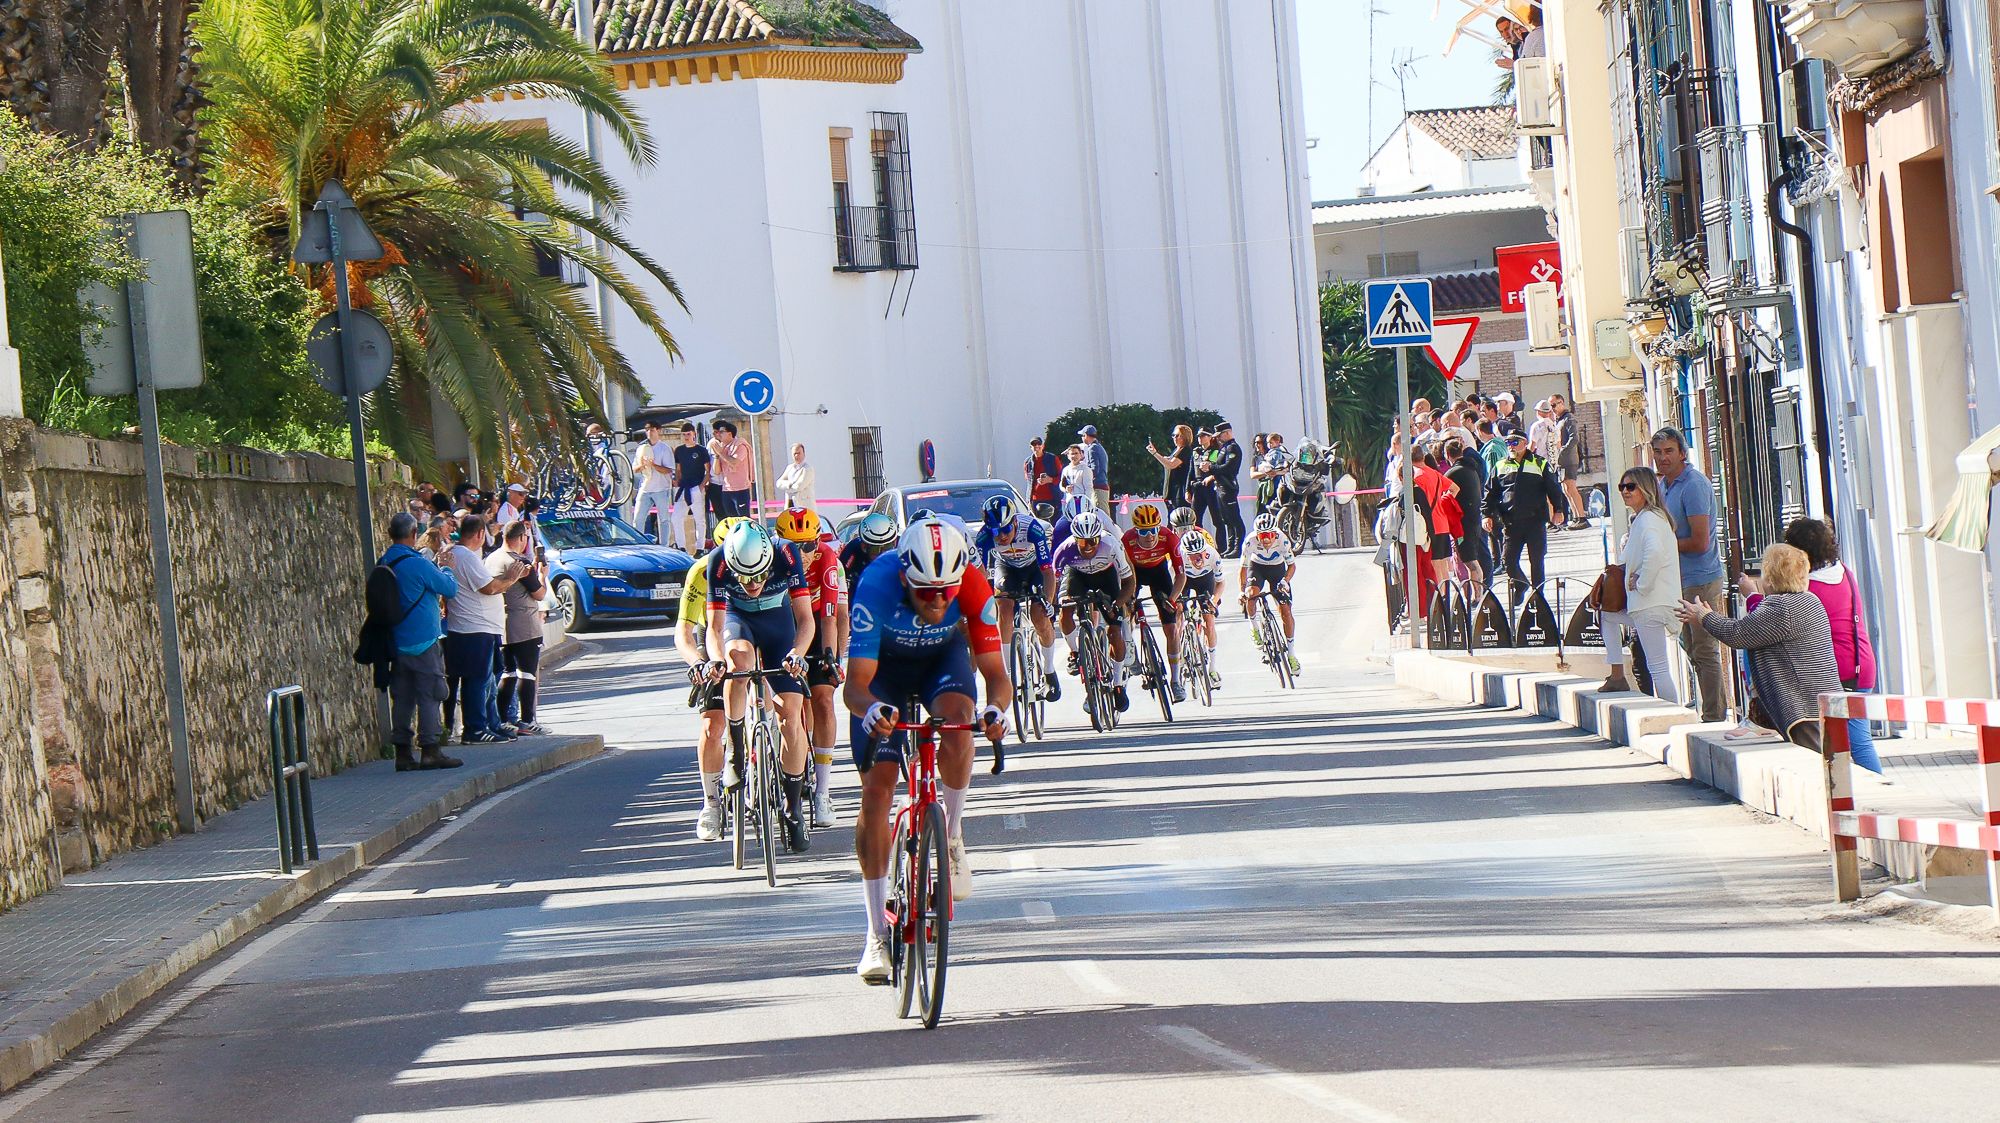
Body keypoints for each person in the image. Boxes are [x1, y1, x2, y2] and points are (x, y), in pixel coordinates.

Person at [845, 517, 1011, 983]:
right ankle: (876, 934)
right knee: (877, 792)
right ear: (904, 578)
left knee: (960, 725)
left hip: (943, 662)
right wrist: (874, 709)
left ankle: (951, 835)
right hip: (885, 673)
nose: (938, 600)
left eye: (946, 591)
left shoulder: (974, 587)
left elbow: (997, 677)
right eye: (925, 592)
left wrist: (995, 711)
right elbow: (854, 687)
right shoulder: (876, 586)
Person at [706, 520, 816, 851]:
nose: (752, 584)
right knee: (737, 663)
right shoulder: (718, 561)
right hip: (740, 621)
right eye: (743, 577)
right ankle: (737, 750)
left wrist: (797, 653)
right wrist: (716, 660)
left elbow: (806, 619)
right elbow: (714, 627)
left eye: (758, 576)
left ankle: (793, 807)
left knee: (790, 715)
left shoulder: (786, 552)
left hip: (778, 623)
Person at [1676, 543, 1841, 750]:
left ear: (1770, 578)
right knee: (1831, 760)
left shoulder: (1781, 607)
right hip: (1825, 701)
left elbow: (1737, 634)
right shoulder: (1810, 601)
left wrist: (1703, 616)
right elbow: (1749, 629)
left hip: (1804, 707)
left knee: (1817, 764)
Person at [1785, 517, 1880, 770]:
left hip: (1835, 671)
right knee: (1858, 740)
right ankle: (1871, 789)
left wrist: (1753, 596)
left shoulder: (1808, 589)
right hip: (1861, 664)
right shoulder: (1844, 572)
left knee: (1852, 743)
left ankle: (1875, 794)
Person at [776, 506, 847, 826]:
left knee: (822, 699)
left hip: (819, 623)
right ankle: (793, 761)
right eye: (795, 546)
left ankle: (823, 791)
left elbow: (831, 617)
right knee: (793, 705)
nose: (803, 553)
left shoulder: (827, 560)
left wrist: (832, 657)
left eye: (809, 545)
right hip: (784, 624)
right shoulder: (775, 561)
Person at [1650, 427, 1728, 722]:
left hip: (1700, 579)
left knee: (1705, 649)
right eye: (1658, 452)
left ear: (1682, 453)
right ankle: (1710, 707)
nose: (1663, 458)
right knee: (1690, 647)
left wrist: (1663, 545)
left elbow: (1699, 541)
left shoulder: (1693, 485)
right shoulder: (1664, 486)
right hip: (1677, 580)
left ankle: (1713, 715)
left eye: (1669, 451)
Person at [676, 517, 746, 842]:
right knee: (711, 726)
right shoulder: (702, 571)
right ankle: (711, 802)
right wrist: (697, 662)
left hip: (751, 628)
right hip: (713, 634)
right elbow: (684, 630)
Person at [377, 513, 464, 771]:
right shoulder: (417, 563)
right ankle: (430, 750)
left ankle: (402, 753)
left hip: (395, 642)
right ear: (414, 533)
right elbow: (449, 589)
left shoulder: (384, 562)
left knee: (402, 698)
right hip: (423, 641)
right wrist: (446, 566)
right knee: (430, 694)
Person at [1597, 467, 1681, 703]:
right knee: (1607, 616)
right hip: (1654, 602)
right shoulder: (1651, 518)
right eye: (1622, 487)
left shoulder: (1648, 520)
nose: (1625, 491)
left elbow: (1654, 553)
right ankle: (1616, 675)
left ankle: (1675, 715)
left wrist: (1641, 582)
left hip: (1650, 602)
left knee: (1659, 668)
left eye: (1631, 487)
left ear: (1645, 489)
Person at [443, 515, 529, 744]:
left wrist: (509, 577)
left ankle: (490, 724)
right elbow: (490, 588)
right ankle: (476, 728)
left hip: (478, 628)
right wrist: (511, 578)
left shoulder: (461, 555)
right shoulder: (464, 556)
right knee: (477, 680)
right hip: (473, 629)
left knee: (489, 680)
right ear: (480, 534)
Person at [975, 494, 1061, 702]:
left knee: (1040, 616)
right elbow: (980, 576)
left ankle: (1049, 673)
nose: (1002, 536)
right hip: (1007, 569)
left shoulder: (1032, 529)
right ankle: (1006, 674)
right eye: (996, 531)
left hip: (1035, 570)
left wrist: (1048, 603)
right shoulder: (984, 537)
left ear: (1014, 521)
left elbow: (1048, 572)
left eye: (1005, 529)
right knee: (1003, 607)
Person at [1052, 510, 1137, 712]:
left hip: (1106, 577)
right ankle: (1075, 652)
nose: (1089, 547)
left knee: (1114, 631)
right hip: (1078, 576)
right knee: (1065, 610)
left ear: (1100, 536)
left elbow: (1129, 582)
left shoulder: (1111, 545)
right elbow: (1053, 583)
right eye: (1083, 543)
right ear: (1075, 539)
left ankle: (1118, 684)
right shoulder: (1065, 549)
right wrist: (1053, 604)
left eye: (1093, 541)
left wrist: (1117, 605)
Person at [1483, 430, 1568, 610]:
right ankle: (1521, 584)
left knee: (1537, 560)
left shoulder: (1539, 463)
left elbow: (1553, 488)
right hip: (1511, 522)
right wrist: (1487, 514)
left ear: (1525, 443)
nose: (1511, 446)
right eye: (1508, 443)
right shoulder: (1500, 466)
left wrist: (1559, 510)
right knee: (1508, 561)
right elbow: (1490, 493)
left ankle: (1538, 597)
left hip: (1535, 521)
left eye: (1515, 442)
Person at [1121, 501, 1188, 702]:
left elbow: (1181, 575)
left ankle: (1176, 681)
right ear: (1135, 531)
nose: (1149, 536)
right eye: (1143, 532)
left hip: (1159, 573)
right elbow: (1125, 576)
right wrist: (1129, 599)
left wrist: (1172, 599)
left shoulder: (1169, 537)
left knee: (1171, 628)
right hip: (1135, 573)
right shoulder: (1127, 540)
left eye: (1153, 530)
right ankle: (1129, 645)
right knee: (1125, 611)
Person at [496, 520, 550, 734]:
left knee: (507, 673)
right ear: (520, 538)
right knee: (526, 673)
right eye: (526, 537)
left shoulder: (491, 559)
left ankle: (502, 719)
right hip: (525, 624)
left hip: (501, 623)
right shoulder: (518, 563)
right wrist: (543, 575)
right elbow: (539, 593)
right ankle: (528, 720)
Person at [1239, 512, 1300, 673]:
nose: (1266, 539)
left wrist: (1285, 581)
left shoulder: (1282, 540)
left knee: (1286, 611)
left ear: (1275, 534)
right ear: (1257, 535)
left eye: (1269, 535)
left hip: (1277, 570)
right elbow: (1243, 569)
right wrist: (1242, 591)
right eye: (1262, 535)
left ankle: (1292, 655)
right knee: (1251, 594)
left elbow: (1292, 566)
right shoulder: (1250, 541)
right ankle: (1254, 628)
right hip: (1256, 567)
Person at [1177, 528, 1223, 690]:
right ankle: (1181, 651)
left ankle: (1212, 668)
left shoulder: (1212, 554)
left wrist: (1214, 601)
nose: (1198, 558)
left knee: (1209, 620)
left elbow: (1221, 583)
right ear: (1186, 554)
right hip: (1184, 580)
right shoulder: (1179, 557)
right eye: (1193, 555)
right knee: (1176, 612)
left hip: (1205, 580)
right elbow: (1172, 585)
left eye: (1200, 554)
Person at [1442, 438, 1488, 589]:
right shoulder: (1472, 469)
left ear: (1447, 454)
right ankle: (1477, 593)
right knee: (1472, 558)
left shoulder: (1453, 473)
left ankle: (1478, 595)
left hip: (1464, 523)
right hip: (1474, 519)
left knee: (1470, 561)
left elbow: (1444, 496)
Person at [631, 420, 677, 545]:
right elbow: (634, 469)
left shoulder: (664, 449)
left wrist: (653, 465)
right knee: (638, 519)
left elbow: (668, 469)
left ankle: (664, 545)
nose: (649, 433)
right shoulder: (641, 448)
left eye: (652, 430)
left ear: (658, 431)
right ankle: (639, 545)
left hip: (661, 489)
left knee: (663, 519)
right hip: (645, 488)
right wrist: (642, 465)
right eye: (647, 430)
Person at [1551, 395, 1589, 529]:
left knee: (1571, 487)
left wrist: (1562, 450)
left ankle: (1582, 518)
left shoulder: (1569, 418)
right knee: (1566, 489)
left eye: (1554, 405)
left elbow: (1574, 438)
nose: (1552, 409)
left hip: (1569, 459)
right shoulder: (1558, 420)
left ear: (1561, 403)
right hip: (1561, 461)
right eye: (1551, 406)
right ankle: (1576, 517)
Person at [672, 421, 712, 549]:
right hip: (683, 487)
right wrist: (678, 482)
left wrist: (701, 486)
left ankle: (700, 547)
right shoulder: (679, 450)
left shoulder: (701, 450)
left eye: (688, 434)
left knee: (699, 519)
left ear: (694, 434)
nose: (686, 437)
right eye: (684, 434)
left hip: (696, 487)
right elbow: (678, 468)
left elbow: (708, 470)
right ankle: (681, 546)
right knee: (676, 518)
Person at [1212, 421, 1247, 557]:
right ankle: (1231, 545)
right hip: (1220, 486)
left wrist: (1211, 468)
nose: (1218, 438)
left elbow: (1229, 468)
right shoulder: (1223, 448)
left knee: (1234, 518)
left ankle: (1238, 547)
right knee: (1226, 518)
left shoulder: (1232, 448)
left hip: (1228, 486)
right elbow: (1216, 463)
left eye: (1220, 434)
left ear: (1227, 433)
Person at [708, 419, 754, 520]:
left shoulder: (740, 446)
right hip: (726, 489)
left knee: (744, 519)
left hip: (740, 488)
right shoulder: (722, 447)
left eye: (721, 432)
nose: (719, 434)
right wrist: (716, 455)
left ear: (729, 434)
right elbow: (717, 471)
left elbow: (734, 462)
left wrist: (720, 453)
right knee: (731, 519)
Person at [841, 511, 900, 586]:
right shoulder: (852, 550)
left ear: (895, 542)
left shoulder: (905, 547)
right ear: (864, 546)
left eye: (888, 547)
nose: (883, 554)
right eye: (875, 549)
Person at [1146, 424, 1195, 513]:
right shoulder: (1177, 450)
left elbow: (1171, 465)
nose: (1174, 438)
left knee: (1181, 516)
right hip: (1173, 489)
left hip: (1181, 489)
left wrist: (1155, 453)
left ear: (1185, 437)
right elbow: (1168, 461)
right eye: (1173, 435)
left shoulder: (1185, 450)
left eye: (1177, 436)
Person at [1188, 429, 1222, 540]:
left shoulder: (1216, 451)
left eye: (1203, 436)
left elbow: (1219, 469)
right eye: (1199, 436)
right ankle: (1198, 542)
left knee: (1217, 519)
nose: (1200, 438)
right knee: (1195, 520)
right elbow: (1191, 471)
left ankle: (1221, 547)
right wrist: (1187, 490)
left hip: (1211, 487)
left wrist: (1211, 477)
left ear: (1210, 437)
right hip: (1198, 487)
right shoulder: (1196, 451)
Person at [1252, 432, 1291, 518]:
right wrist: (1266, 473)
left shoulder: (1277, 454)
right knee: (1262, 514)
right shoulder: (1256, 458)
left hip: (1276, 487)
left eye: (1259, 442)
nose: (1257, 445)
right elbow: (1252, 475)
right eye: (1255, 443)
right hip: (1264, 489)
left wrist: (1276, 472)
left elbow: (1285, 468)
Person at [1078, 424, 1112, 512]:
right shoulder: (1099, 447)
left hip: (1098, 487)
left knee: (1100, 514)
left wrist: (1085, 479)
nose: (1082, 438)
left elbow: (1094, 469)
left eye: (1082, 435)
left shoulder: (1092, 449)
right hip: (1102, 485)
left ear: (1086, 435)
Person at [777, 443, 817, 515]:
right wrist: (790, 484)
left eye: (798, 453)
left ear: (804, 454)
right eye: (794, 454)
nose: (796, 456)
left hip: (804, 508)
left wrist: (787, 487)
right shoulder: (790, 468)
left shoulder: (807, 469)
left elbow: (799, 486)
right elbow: (779, 483)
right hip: (790, 506)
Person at [1024, 436, 1062, 511]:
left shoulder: (1053, 458)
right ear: (1030, 447)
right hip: (1035, 501)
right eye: (1034, 444)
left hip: (1052, 499)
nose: (1037, 446)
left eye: (1039, 444)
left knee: (1053, 522)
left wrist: (1050, 480)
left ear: (1043, 446)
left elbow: (1062, 478)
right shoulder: (1027, 462)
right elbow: (1029, 481)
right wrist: (1028, 500)